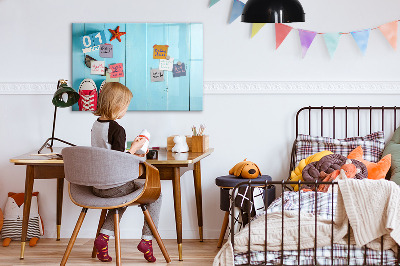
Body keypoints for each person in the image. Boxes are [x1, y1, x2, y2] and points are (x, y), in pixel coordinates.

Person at [91, 82, 161, 263]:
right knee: (156, 194)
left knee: (121, 197)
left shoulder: (96, 125)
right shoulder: (117, 129)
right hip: (114, 186)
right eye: (126, 106)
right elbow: (119, 161)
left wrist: (130, 150)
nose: (126, 110)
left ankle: (103, 238)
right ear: (116, 105)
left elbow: (108, 154)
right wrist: (136, 148)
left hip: (97, 186)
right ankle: (147, 240)